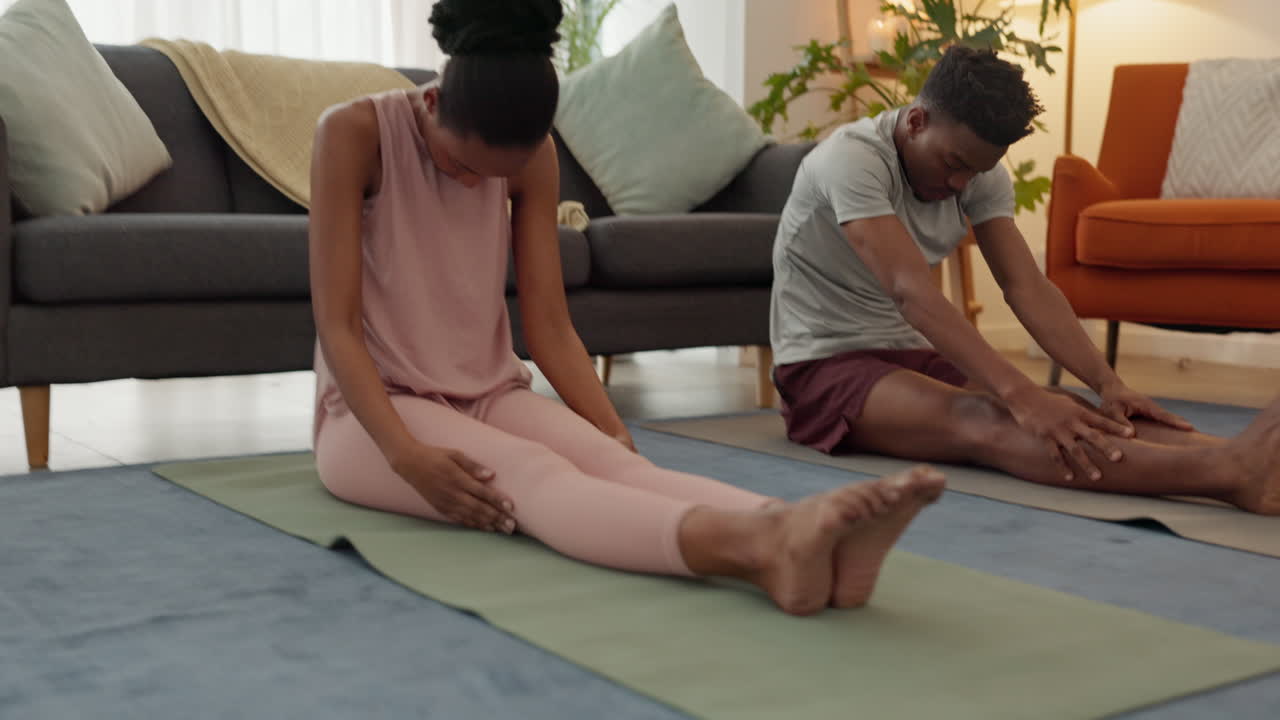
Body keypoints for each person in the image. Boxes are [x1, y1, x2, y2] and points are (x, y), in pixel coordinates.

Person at [307, 0, 946, 617]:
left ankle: (797, 529)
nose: (473, 185)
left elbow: (550, 326)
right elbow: (337, 328)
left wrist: (609, 428)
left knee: (611, 460)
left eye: (492, 177)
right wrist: (404, 454)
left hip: (487, 389)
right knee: (533, 474)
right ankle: (757, 549)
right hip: (372, 416)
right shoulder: (353, 134)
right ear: (431, 102)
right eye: (461, 165)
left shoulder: (534, 158)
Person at [769, 45, 1280, 515]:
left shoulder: (978, 171)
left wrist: (1108, 383)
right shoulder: (851, 160)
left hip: (907, 355)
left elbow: (1026, 286)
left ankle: (1256, 458)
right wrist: (1021, 395)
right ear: (917, 120)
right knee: (987, 418)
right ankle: (1231, 472)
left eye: (975, 171)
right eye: (953, 164)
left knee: (1074, 412)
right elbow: (911, 291)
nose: (959, 185)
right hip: (821, 364)